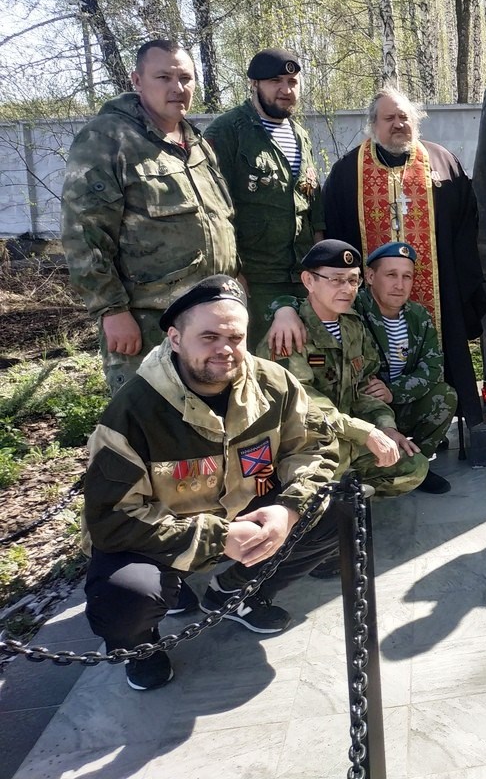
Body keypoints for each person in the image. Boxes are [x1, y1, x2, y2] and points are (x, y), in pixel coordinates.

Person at [80, 275, 341, 691]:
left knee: (335, 509)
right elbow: (112, 520)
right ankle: (141, 643)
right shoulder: (134, 412)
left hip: (246, 507)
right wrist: (220, 540)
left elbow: (315, 449)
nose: (225, 349)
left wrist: (287, 508)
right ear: (176, 338)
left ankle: (236, 591)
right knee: (126, 598)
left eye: (235, 337)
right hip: (161, 533)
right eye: (208, 336)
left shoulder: (274, 384)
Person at [61, 39, 237, 393]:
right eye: (163, 77)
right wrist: (111, 310)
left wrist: (237, 275)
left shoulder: (196, 143)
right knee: (150, 428)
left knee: (212, 426)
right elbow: (84, 232)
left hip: (209, 320)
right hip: (148, 321)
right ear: (137, 81)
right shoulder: (108, 138)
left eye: (185, 78)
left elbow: (220, 219)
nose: (177, 88)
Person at [322, 86, 486, 433]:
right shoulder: (347, 172)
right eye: (389, 118)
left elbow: (466, 224)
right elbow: (335, 235)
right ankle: (381, 430)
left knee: (446, 356)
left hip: (439, 291)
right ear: (373, 125)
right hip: (369, 301)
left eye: (404, 117)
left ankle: (438, 426)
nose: (398, 124)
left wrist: (462, 284)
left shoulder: (442, 163)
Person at [266, 241, 456, 494]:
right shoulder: (290, 335)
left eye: (352, 281)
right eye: (336, 280)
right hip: (309, 442)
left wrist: (385, 426)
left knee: (414, 468)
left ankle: (350, 489)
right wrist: (283, 310)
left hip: (356, 429)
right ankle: (337, 494)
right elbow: (304, 408)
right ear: (309, 281)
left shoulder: (352, 326)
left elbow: (366, 383)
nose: (346, 289)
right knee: (311, 502)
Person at [205, 48, 325, 342]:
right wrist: (232, 271)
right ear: (254, 84)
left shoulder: (300, 135)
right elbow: (212, 209)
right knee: (260, 363)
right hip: (255, 279)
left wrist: (320, 265)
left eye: (293, 82)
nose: (286, 90)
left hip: (302, 275)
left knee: (306, 363)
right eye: (275, 81)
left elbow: (311, 204)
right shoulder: (228, 131)